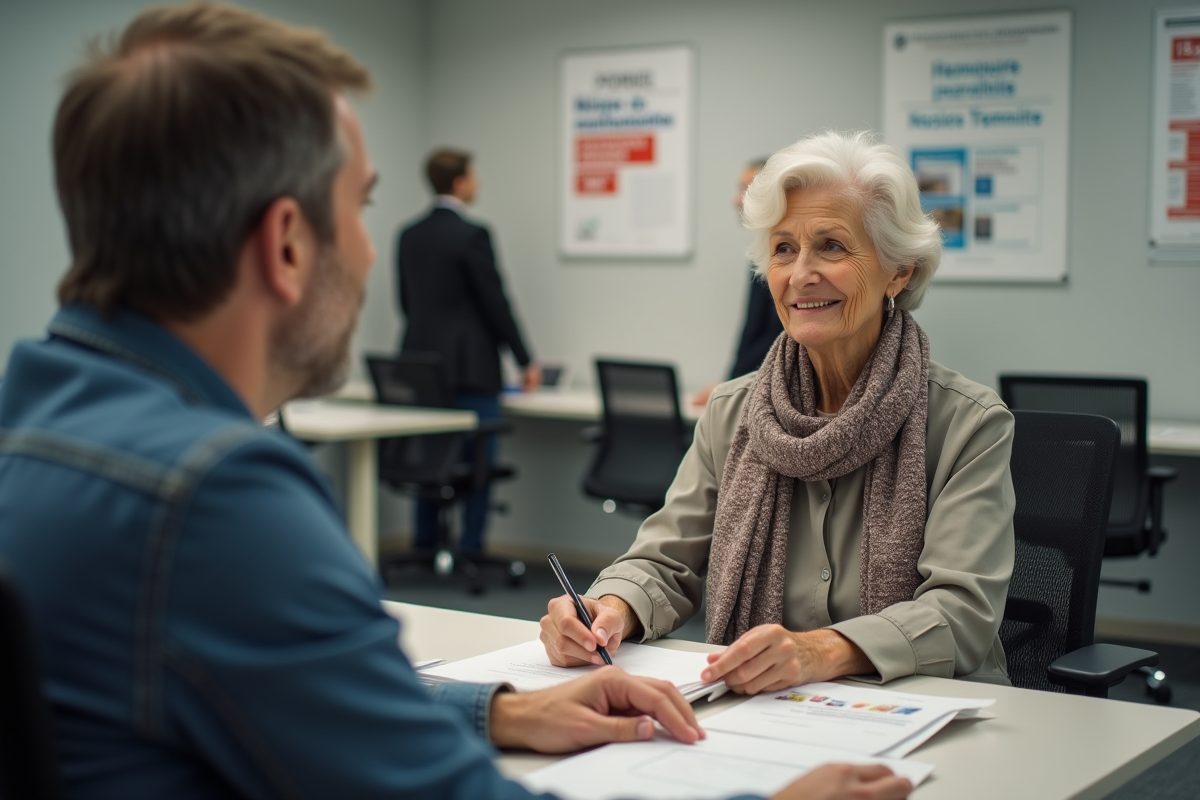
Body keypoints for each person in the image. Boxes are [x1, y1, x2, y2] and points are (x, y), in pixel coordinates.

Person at [0, 5, 909, 799]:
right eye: (359, 208)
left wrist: (499, 710)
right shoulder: (217, 501)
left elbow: (289, 694)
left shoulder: (32, 428)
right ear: (284, 245)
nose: (365, 254)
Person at [542, 131, 1016, 696]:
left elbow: (961, 613)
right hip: (762, 708)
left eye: (833, 246)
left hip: (921, 708)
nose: (800, 274)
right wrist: (609, 608)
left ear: (899, 271)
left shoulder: (969, 423)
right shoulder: (732, 411)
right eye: (783, 249)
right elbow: (664, 563)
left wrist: (821, 650)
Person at [396, 150, 540, 554]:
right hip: (471, 367)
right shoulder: (472, 234)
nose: (476, 184)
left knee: (431, 456)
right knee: (477, 461)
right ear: (459, 182)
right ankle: (470, 549)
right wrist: (525, 359)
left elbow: (405, 302)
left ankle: (424, 545)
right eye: (473, 177)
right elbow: (495, 302)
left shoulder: (408, 235)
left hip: (421, 367)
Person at [693, 159, 783, 407]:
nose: (736, 200)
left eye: (747, 188)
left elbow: (774, 339)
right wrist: (728, 388)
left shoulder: (779, 259)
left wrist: (728, 390)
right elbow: (752, 336)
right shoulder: (762, 252)